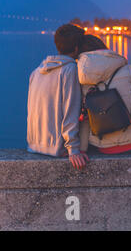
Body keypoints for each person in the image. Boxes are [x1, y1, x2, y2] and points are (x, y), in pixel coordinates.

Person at [27, 24, 89, 169]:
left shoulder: (36, 72)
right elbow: (70, 111)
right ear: (76, 48)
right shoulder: (70, 70)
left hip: (34, 145)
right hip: (57, 149)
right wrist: (73, 149)